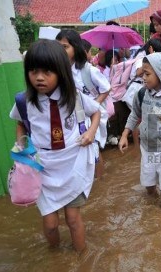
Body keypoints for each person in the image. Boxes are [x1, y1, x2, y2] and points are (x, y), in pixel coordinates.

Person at [9, 39, 101, 252]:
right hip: (44, 166)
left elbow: (96, 111)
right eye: (33, 71)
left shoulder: (74, 96)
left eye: (47, 72)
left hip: (72, 163)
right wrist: (21, 146)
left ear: (61, 71)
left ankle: (80, 259)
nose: (39, 77)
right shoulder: (24, 101)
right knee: (50, 224)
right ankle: (55, 258)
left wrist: (90, 132)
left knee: (72, 218)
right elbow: (20, 124)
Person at [118, 53, 161, 213]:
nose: (143, 77)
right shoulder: (141, 94)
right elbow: (134, 114)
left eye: (147, 74)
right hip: (147, 148)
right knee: (148, 185)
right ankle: (153, 209)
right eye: (142, 73)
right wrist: (124, 134)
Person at [56, 30, 110, 177]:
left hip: (92, 115)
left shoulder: (88, 70)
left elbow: (106, 88)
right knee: (81, 149)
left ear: (76, 47)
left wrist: (92, 105)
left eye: (65, 47)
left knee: (93, 148)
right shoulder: (59, 71)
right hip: (73, 116)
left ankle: (100, 182)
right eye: (58, 47)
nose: (61, 51)